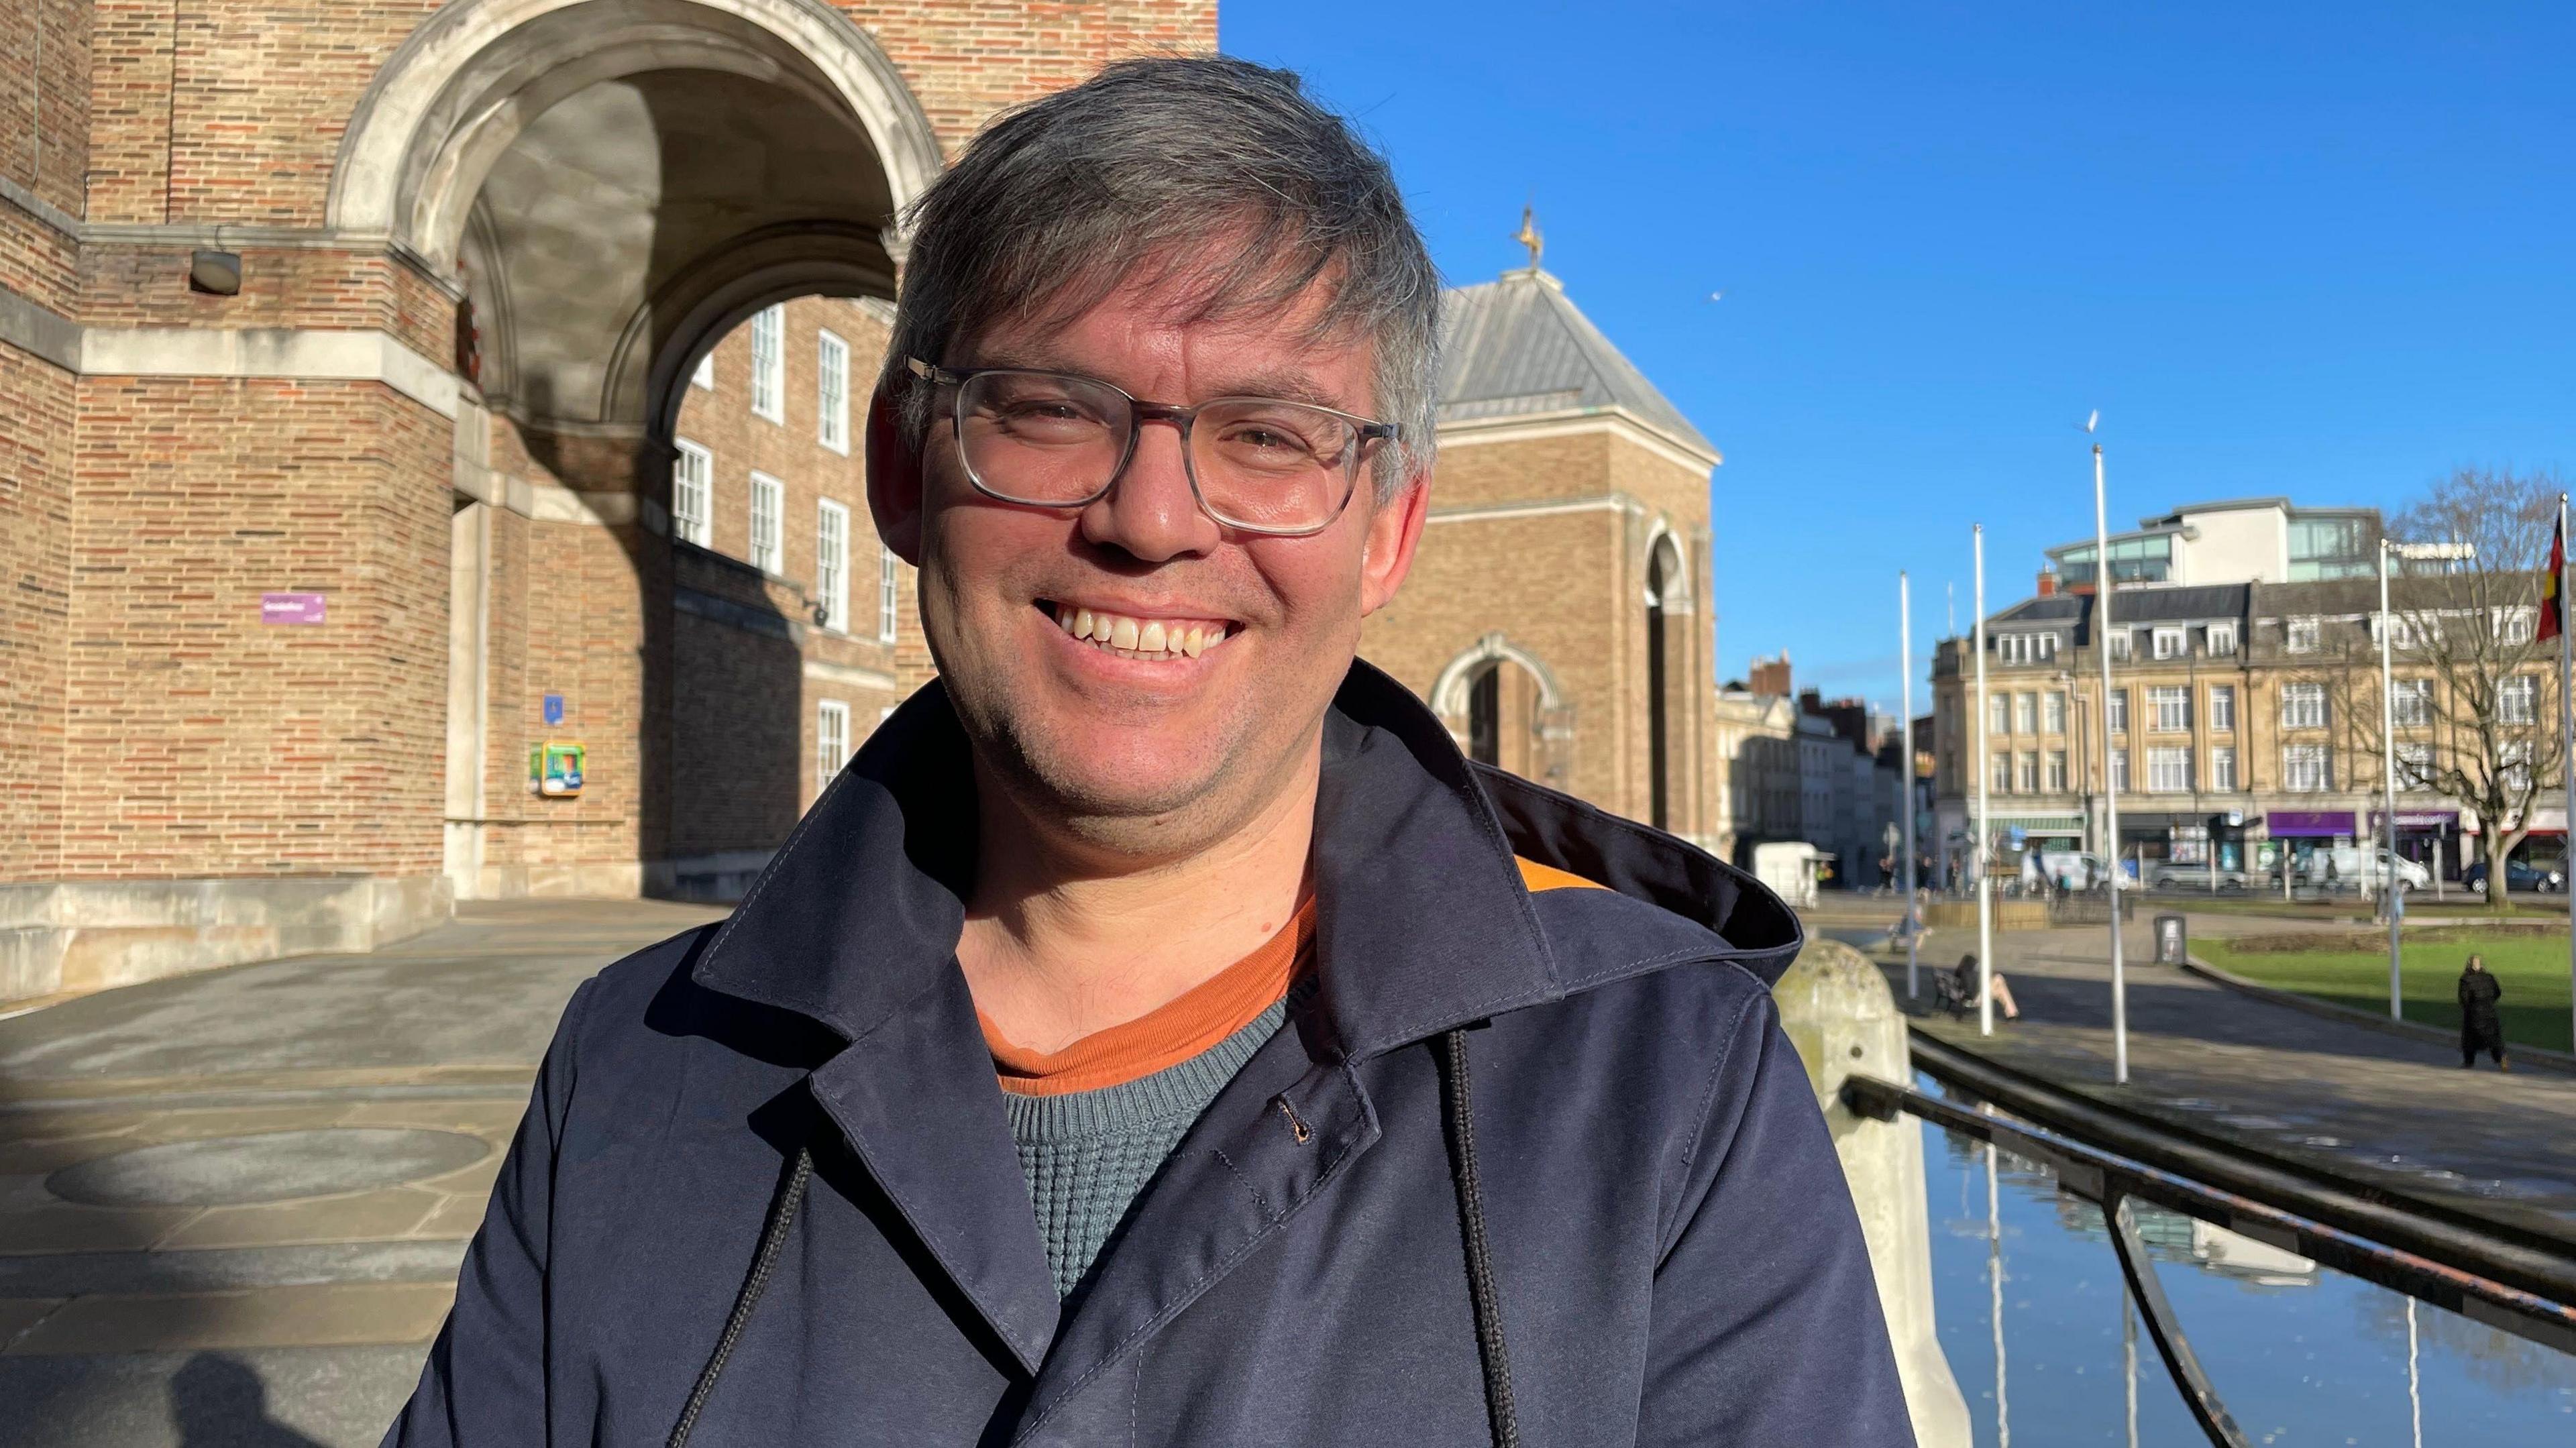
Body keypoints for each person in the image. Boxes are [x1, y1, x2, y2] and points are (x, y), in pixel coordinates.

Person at [386, 56, 1913, 1448]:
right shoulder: (636, 1069)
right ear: (905, 472)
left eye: (1266, 436)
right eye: (1050, 410)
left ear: (1386, 532)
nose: (1149, 517)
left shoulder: (1663, 1082)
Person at [2459, 954, 2509, 1070]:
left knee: (2470, 1040)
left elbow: (2464, 999)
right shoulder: (2489, 977)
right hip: (2490, 1012)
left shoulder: (2466, 980)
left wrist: (2468, 1007)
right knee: (2494, 1039)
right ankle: (2501, 1057)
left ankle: (2469, 1062)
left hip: (2474, 1014)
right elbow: (2497, 992)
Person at [1954, 952, 2019, 1021]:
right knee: (1999, 979)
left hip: (1976, 997)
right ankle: (2012, 1013)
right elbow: (1971, 992)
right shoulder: (1970, 975)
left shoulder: (1966, 974)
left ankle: (2012, 1014)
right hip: (1974, 1000)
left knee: (2000, 988)